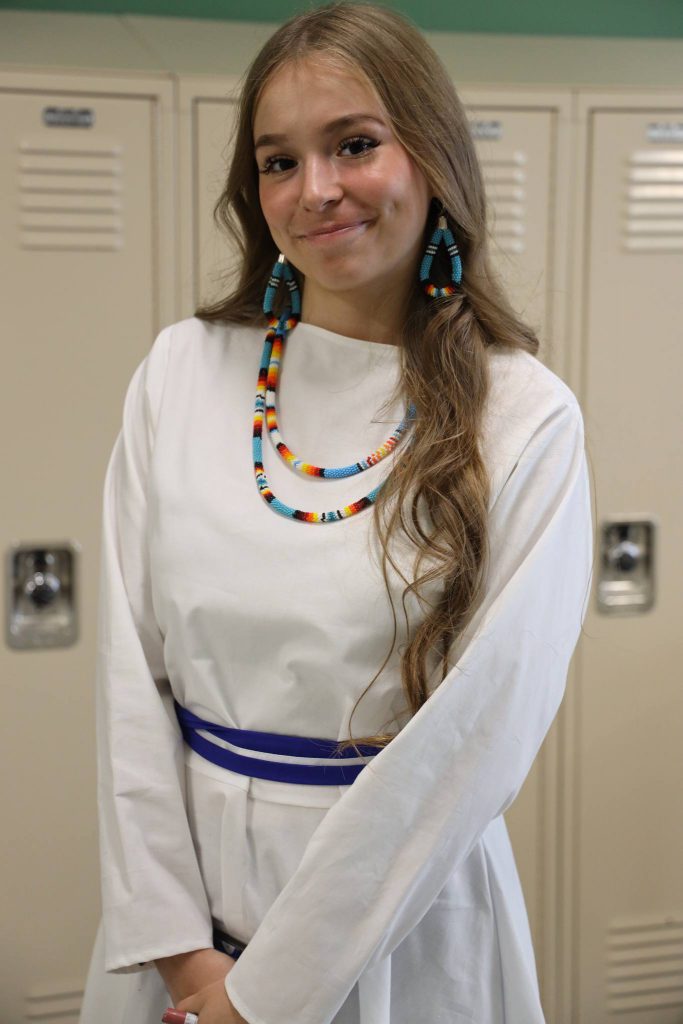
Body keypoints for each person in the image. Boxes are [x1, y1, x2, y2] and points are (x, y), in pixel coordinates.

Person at [79, 3, 594, 1023]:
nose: (314, 190)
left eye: (353, 145)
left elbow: (470, 743)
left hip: (404, 929)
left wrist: (263, 997)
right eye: (277, 161)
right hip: (178, 928)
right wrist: (183, 953)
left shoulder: (525, 415)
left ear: (432, 157)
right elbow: (127, 682)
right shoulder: (181, 371)